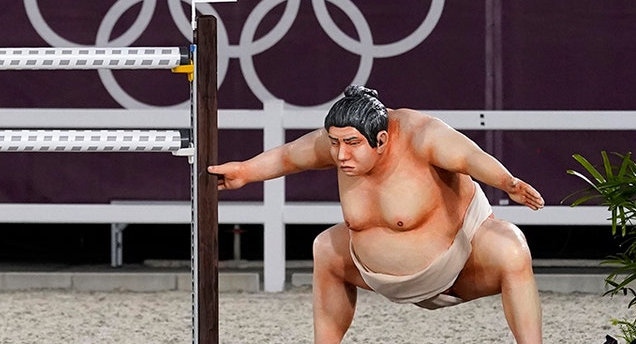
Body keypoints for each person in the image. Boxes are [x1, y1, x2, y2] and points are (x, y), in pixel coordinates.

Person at [209, 85, 545, 344]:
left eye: (352, 144)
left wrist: (507, 182)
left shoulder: (423, 135)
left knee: (511, 247)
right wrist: (244, 171)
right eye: (334, 143)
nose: (341, 154)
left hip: (458, 269)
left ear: (381, 140)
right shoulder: (342, 142)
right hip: (379, 277)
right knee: (327, 247)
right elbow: (288, 158)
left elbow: (470, 157)